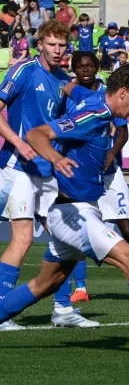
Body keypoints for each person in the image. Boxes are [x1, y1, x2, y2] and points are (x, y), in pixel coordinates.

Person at [0, 64, 129, 351]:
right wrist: (56, 159)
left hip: (76, 211)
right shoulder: (92, 114)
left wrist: (60, 78)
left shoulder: (96, 99)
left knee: (45, 284)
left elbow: (71, 88)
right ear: (122, 93)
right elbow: (36, 135)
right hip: (73, 214)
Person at [55, 52, 129, 309]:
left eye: (90, 66)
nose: (85, 70)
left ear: (97, 68)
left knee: (126, 227)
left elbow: (122, 132)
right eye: (80, 66)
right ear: (75, 70)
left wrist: (110, 154)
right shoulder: (70, 95)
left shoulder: (111, 96)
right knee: (78, 229)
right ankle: (79, 289)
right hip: (80, 173)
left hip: (109, 170)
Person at [0, 20, 73, 331]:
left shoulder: (64, 81)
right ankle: (2, 312)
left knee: (67, 238)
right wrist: (18, 143)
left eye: (62, 46)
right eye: (52, 45)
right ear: (40, 44)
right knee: (23, 238)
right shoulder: (24, 71)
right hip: (18, 168)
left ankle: (63, 309)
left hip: (47, 171)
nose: (57, 50)